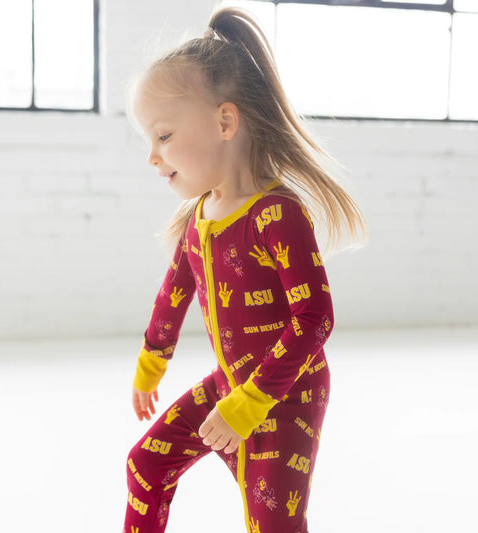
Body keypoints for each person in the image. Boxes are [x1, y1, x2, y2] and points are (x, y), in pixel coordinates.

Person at [123, 6, 366, 533]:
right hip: (230, 385)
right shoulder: (200, 216)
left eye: (163, 136)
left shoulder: (277, 215)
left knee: (271, 525)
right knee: (146, 465)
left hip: (287, 396)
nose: (152, 157)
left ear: (225, 122)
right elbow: (175, 290)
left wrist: (251, 403)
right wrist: (152, 360)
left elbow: (315, 318)